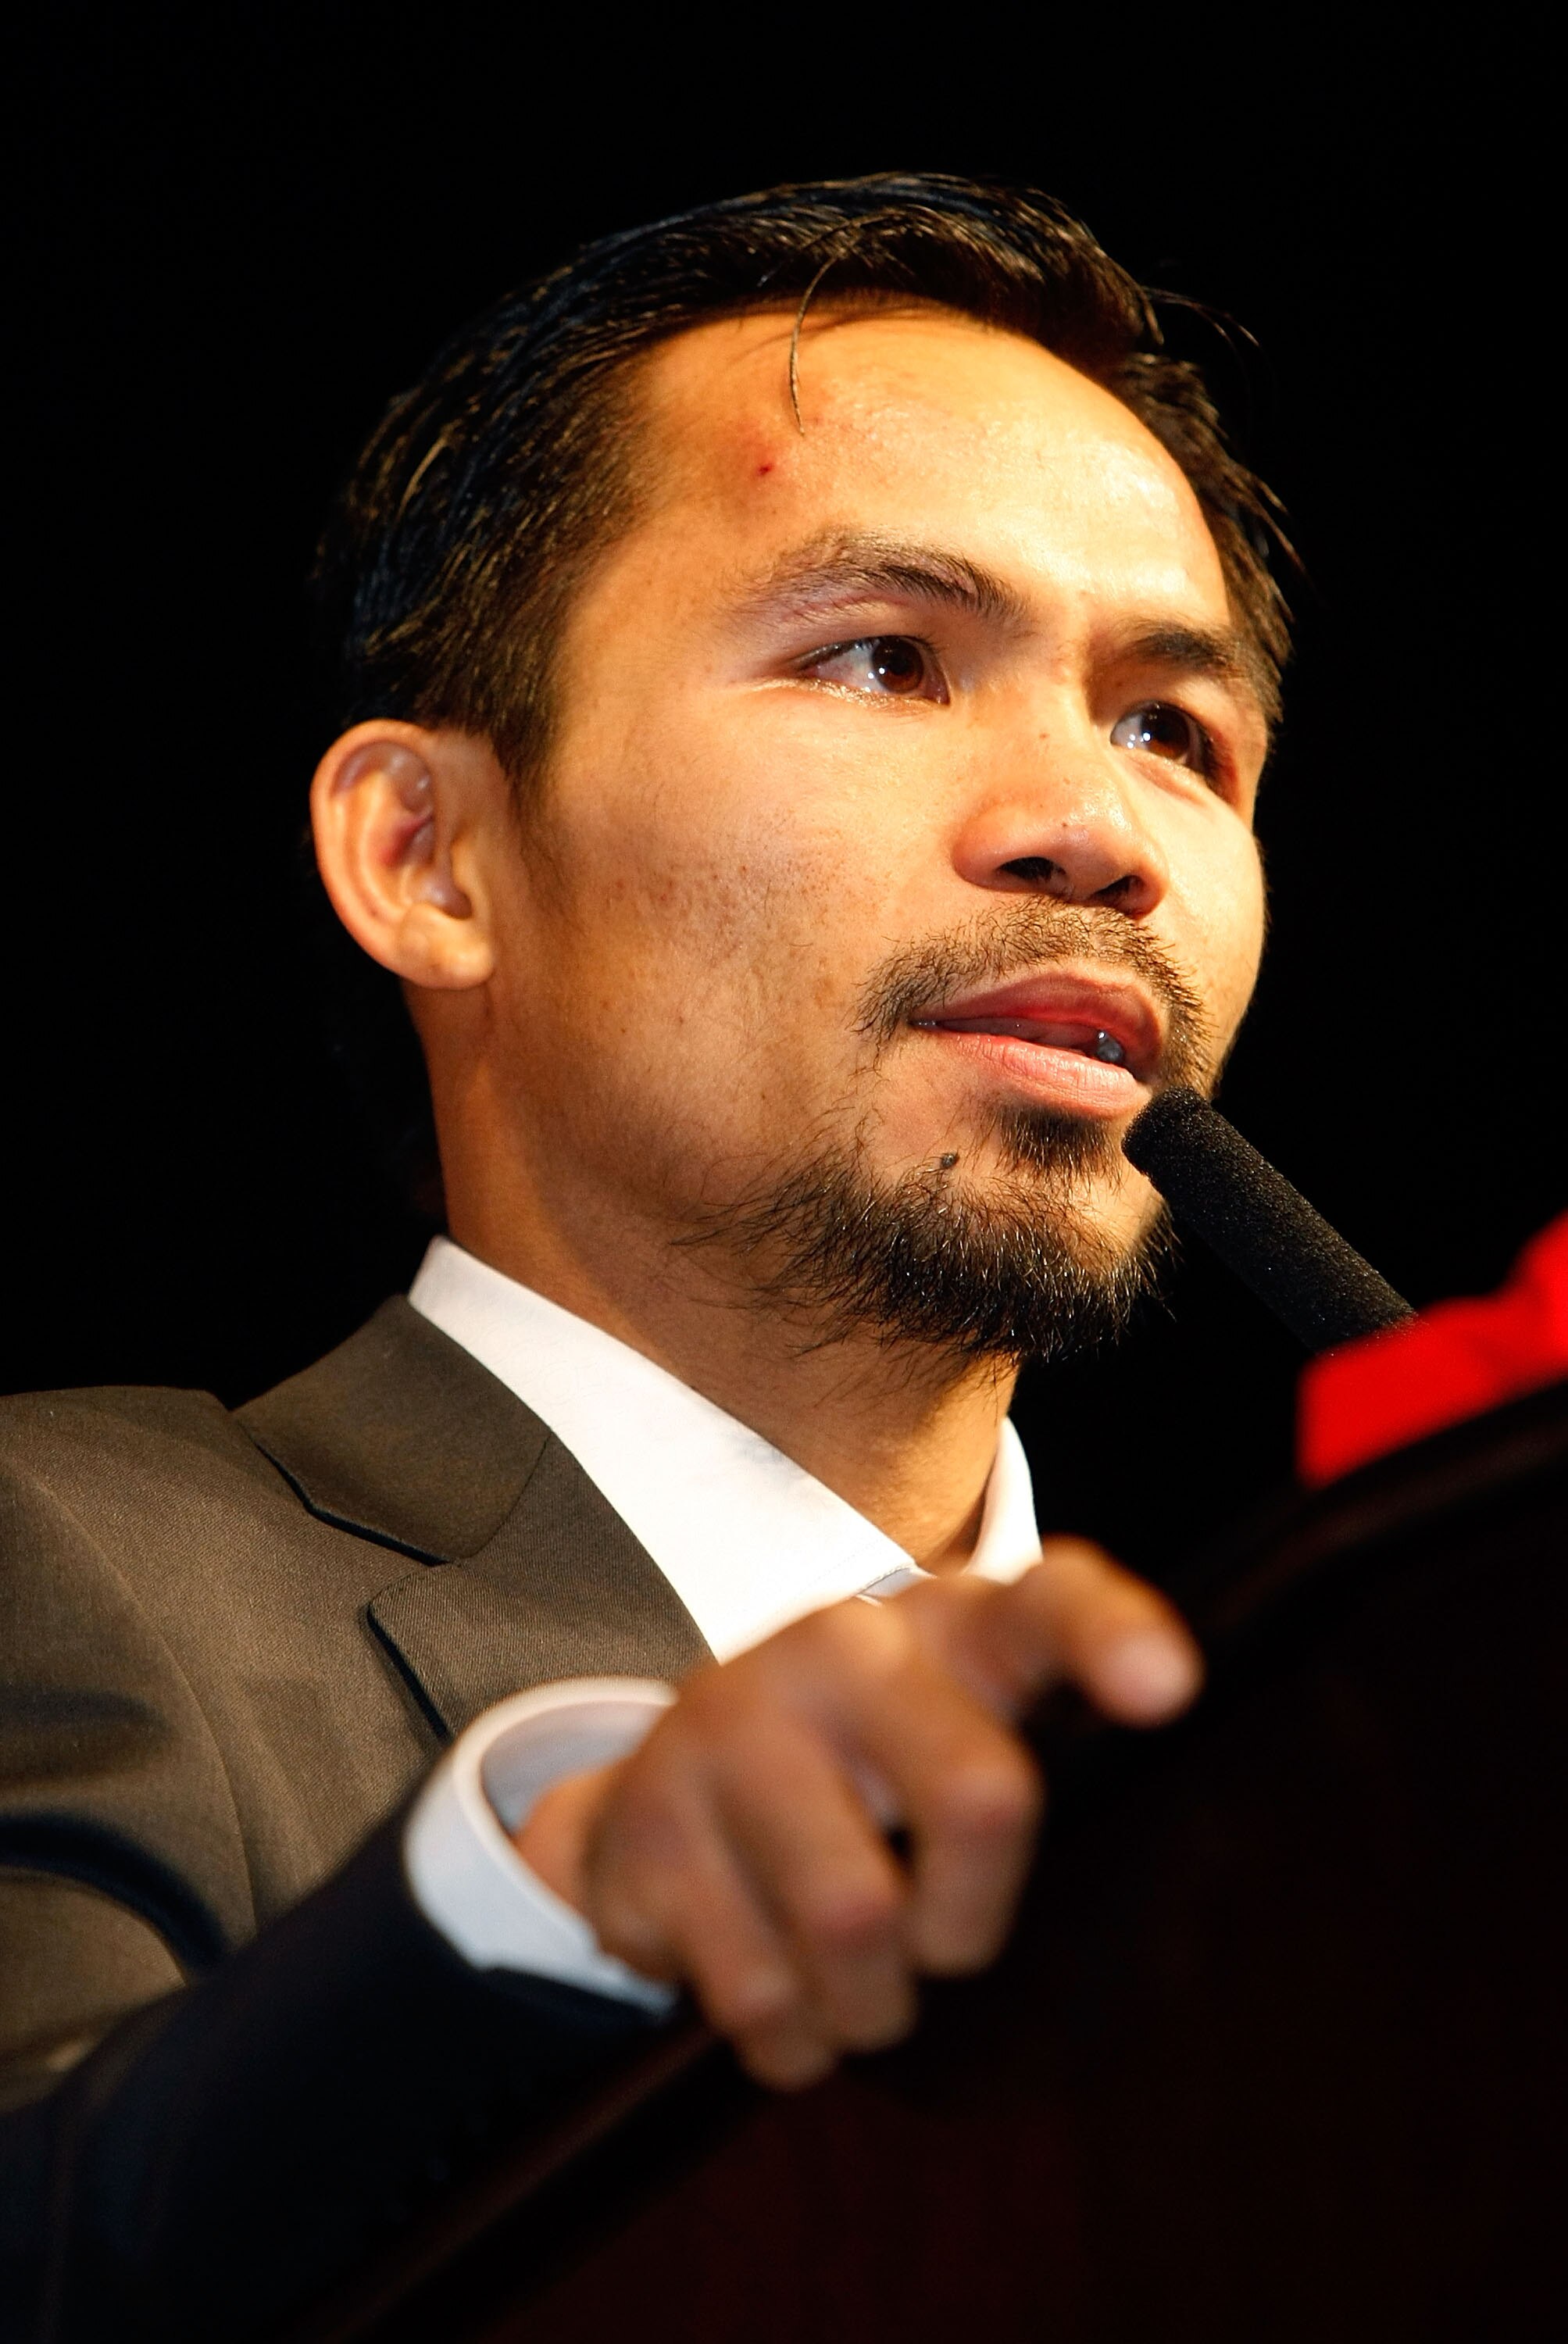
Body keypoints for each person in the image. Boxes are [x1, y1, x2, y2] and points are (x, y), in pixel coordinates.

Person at [0, 173, 1288, 2340]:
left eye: (1179, 729)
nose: (1100, 829)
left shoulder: (1317, 1757)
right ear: (430, 859)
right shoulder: (63, 1549)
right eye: (885, 657)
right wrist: (550, 1891)